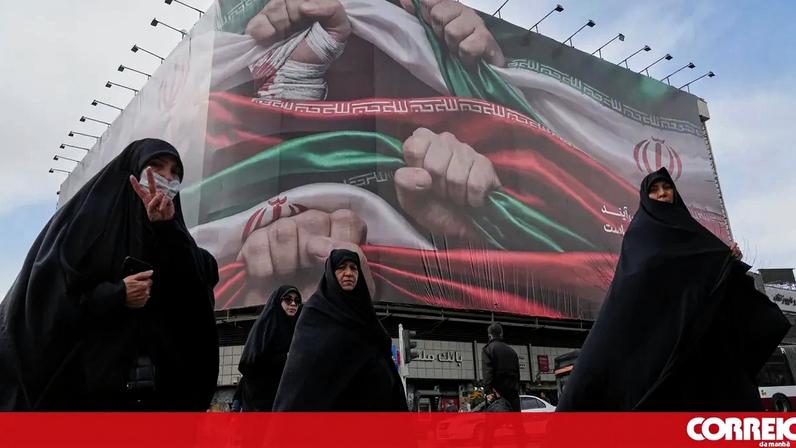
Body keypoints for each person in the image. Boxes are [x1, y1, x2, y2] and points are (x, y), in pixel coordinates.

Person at [0, 138, 219, 411]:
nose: (166, 177)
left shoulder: (175, 239)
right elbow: (46, 303)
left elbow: (196, 295)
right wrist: (116, 294)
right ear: (133, 171)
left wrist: (168, 231)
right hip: (85, 397)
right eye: (156, 166)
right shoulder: (83, 231)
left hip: (156, 398)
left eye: (175, 171)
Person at [556, 168, 790, 411]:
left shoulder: (692, 233)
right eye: (654, 190)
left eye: (666, 188)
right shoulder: (639, 236)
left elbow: (705, 275)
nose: (662, 194)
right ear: (646, 198)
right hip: (652, 338)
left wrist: (727, 263)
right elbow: (631, 287)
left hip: (693, 335)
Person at [272, 248, 407, 411]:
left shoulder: (365, 314)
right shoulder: (315, 314)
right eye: (341, 267)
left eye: (353, 268)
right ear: (330, 272)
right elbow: (300, 375)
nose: (349, 273)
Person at [237, 285, 302, 411]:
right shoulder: (265, 326)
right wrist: (285, 358)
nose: (293, 304)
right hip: (259, 399)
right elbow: (248, 363)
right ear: (278, 301)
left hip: (282, 395)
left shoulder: (296, 328)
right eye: (288, 299)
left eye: (297, 300)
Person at [481, 323, 520, 412]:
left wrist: (488, 392)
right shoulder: (512, 351)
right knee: (515, 424)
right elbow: (518, 376)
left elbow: (487, 373)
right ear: (501, 334)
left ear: (489, 335)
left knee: (496, 424)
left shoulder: (487, 350)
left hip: (497, 397)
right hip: (514, 398)